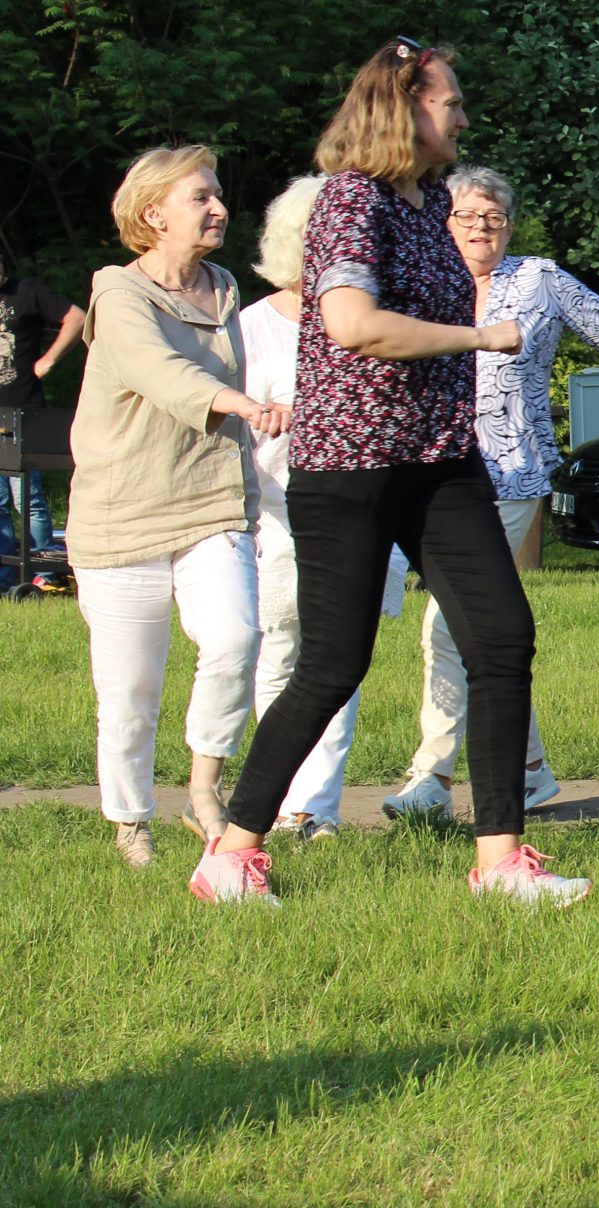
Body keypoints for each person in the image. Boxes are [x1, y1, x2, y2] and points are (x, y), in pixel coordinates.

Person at [204, 37, 586, 908]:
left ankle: (499, 863)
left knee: (501, 637)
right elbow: (353, 324)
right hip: (352, 466)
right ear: (405, 108)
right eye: (449, 101)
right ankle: (231, 851)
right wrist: (481, 335)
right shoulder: (351, 201)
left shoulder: (427, 205)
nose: (462, 115)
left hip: (439, 458)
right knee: (333, 665)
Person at [379, 164, 599, 822]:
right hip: (432, 474)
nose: (482, 229)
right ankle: (530, 771)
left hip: (508, 475)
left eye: (494, 218)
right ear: (443, 222)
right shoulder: (424, 285)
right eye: (468, 216)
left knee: (449, 622)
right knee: (485, 626)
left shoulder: (538, 280)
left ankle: (432, 779)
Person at [67, 146, 283, 871]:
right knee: (130, 688)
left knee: (235, 638)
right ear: (153, 213)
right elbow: (161, 372)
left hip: (207, 503)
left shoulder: (222, 287)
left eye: (218, 194)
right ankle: (130, 821)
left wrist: (248, 501)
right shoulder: (117, 294)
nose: (218, 207)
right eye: (200, 197)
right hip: (122, 510)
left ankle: (203, 788)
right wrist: (241, 404)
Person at [239, 175, 412, 842]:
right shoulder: (252, 327)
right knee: (281, 656)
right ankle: (273, 803)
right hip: (275, 519)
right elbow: (226, 423)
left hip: (355, 514)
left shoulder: (370, 320)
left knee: (341, 659)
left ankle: (316, 808)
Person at [1, 247, 82, 587]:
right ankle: (6, 577)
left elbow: (76, 317)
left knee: (28, 498)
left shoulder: (27, 292)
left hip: (23, 408)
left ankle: (44, 574)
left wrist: (48, 361)